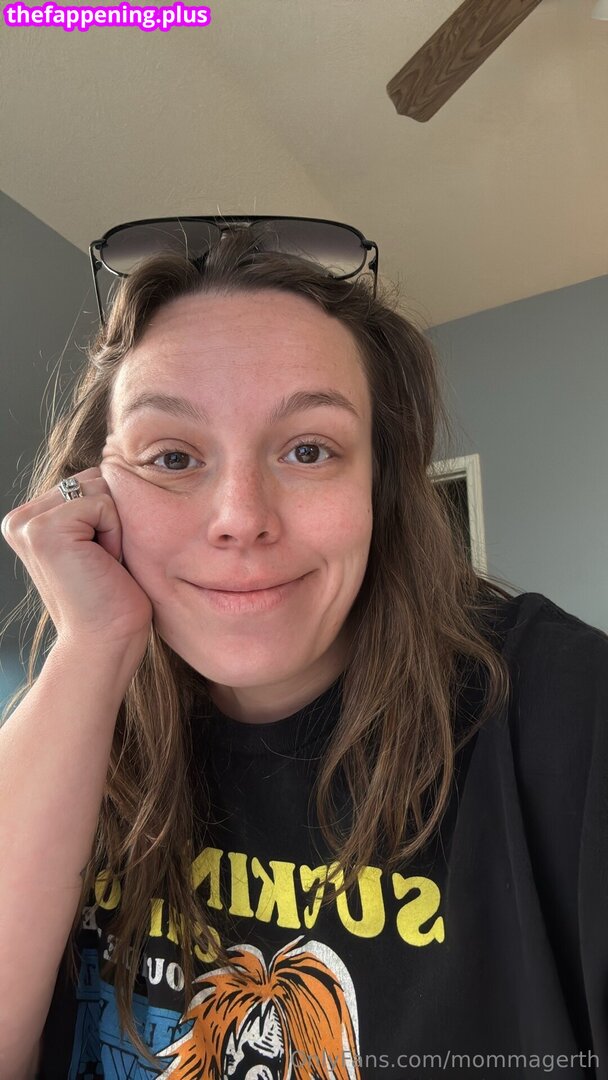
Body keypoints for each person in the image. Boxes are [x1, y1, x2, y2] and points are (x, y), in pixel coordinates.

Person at [1, 220, 607, 1080]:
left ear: (379, 486)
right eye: (172, 457)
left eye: (309, 450)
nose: (241, 517)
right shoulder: (76, 723)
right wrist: (92, 645)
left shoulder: (565, 710)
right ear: (93, 492)